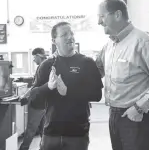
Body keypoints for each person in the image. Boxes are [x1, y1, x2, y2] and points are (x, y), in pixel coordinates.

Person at [96, 0, 149, 150]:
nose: (98, 22)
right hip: (114, 116)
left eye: (102, 16)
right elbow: (96, 71)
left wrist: (139, 107)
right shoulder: (108, 46)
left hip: (139, 119)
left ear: (117, 15)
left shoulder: (143, 41)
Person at [29, 21, 103, 150]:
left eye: (71, 33)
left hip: (77, 133)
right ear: (54, 40)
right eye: (64, 35)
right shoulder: (46, 65)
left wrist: (68, 91)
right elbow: (34, 100)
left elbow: (97, 95)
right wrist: (48, 87)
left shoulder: (87, 63)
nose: (70, 37)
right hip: (51, 133)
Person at [19, 48, 47, 150]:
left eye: (34, 57)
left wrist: (25, 95)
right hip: (45, 103)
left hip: (37, 103)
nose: (33, 60)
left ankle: (23, 148)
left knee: (31, 129)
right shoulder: (47, 65)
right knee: (44, 129)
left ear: (39, 56)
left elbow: (35, 86)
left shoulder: (42, 67)